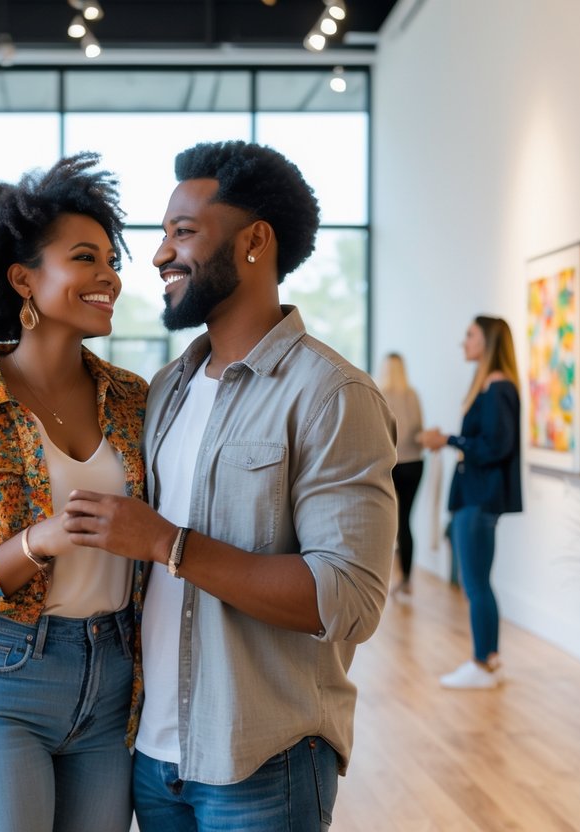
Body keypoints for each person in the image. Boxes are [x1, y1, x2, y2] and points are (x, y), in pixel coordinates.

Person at [63, 140, 398, 832]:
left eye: (182, 232)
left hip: (263, 761)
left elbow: (349, 600)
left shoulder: (332, 396)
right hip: (153, 761)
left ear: (254, 242)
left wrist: (168, 544)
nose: (158, 255)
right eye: (161, 235)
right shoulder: (165, 391)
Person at [0, 153, 148, 832]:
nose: (109, 276)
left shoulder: (134, 401)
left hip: (112, 685)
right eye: (83, 258)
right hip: (1, 684)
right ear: (22, 278)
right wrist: (34, 543)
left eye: (109, 258)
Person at [420, 315, 522, 690]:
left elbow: (496, 446)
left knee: (475, 583)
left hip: (479, 499)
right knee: (478, 582)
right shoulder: (491, 387)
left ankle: (482, 663)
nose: (464, 342)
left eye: (470, 336)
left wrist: (449, 440)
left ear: (488, 342)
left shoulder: (496, 388)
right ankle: (488, 659)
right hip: (476, 497)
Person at [377, 352, 425, 596]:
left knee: (388, 522)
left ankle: (384, 577)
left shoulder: (379, 394)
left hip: (391, 464)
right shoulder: (412, 394)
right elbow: (419, 429)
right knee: (405, 521)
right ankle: (406, 578)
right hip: (415, 463)